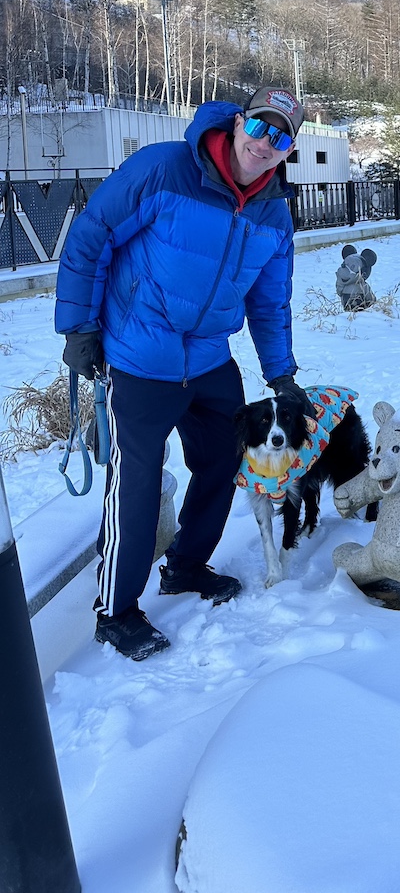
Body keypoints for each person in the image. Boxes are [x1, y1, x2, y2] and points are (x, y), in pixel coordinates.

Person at [55, 86, 316, 661]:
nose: (266, 144)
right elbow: (91, 236)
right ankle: (116, 611)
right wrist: (79, 328)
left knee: (224, 459)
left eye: (283, 138)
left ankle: (186, 566)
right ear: (239, 122)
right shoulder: (166, 168)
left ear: (289, 149)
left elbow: (270, 302)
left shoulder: (272, 209)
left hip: (208, 359)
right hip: (138, 357)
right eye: (261, 128)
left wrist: (282, 375)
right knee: (138, 483)